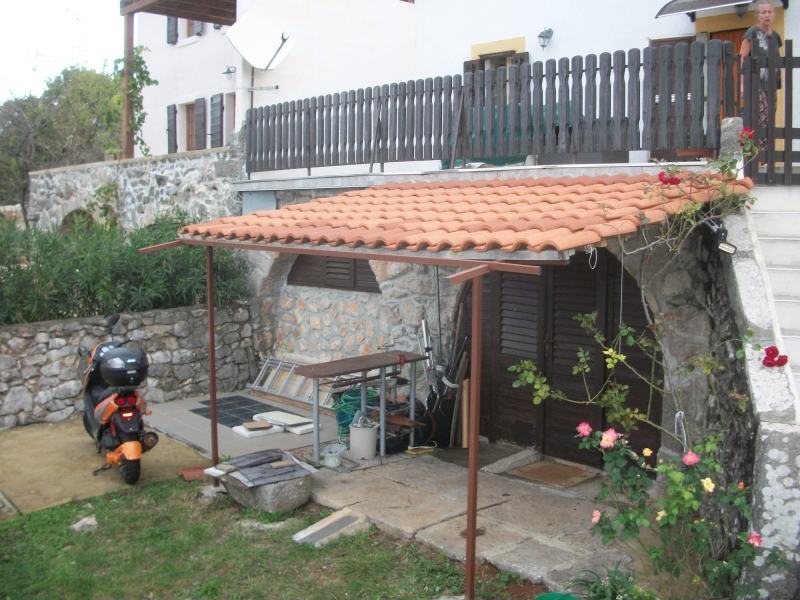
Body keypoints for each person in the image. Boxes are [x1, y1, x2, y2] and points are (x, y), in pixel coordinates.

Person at [739, 0, 783, 141]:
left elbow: (776, 60)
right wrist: (742, 84)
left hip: (771, 84)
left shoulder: (775, 36)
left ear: (773, 14)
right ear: (758, 15)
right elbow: (743, 58)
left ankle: (767, 151)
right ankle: (758, 150)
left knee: (770, 118)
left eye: (769, 12)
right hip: (756, 83)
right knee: (760, 118)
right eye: (763, 12)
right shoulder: (752, 33)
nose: (767, 15)